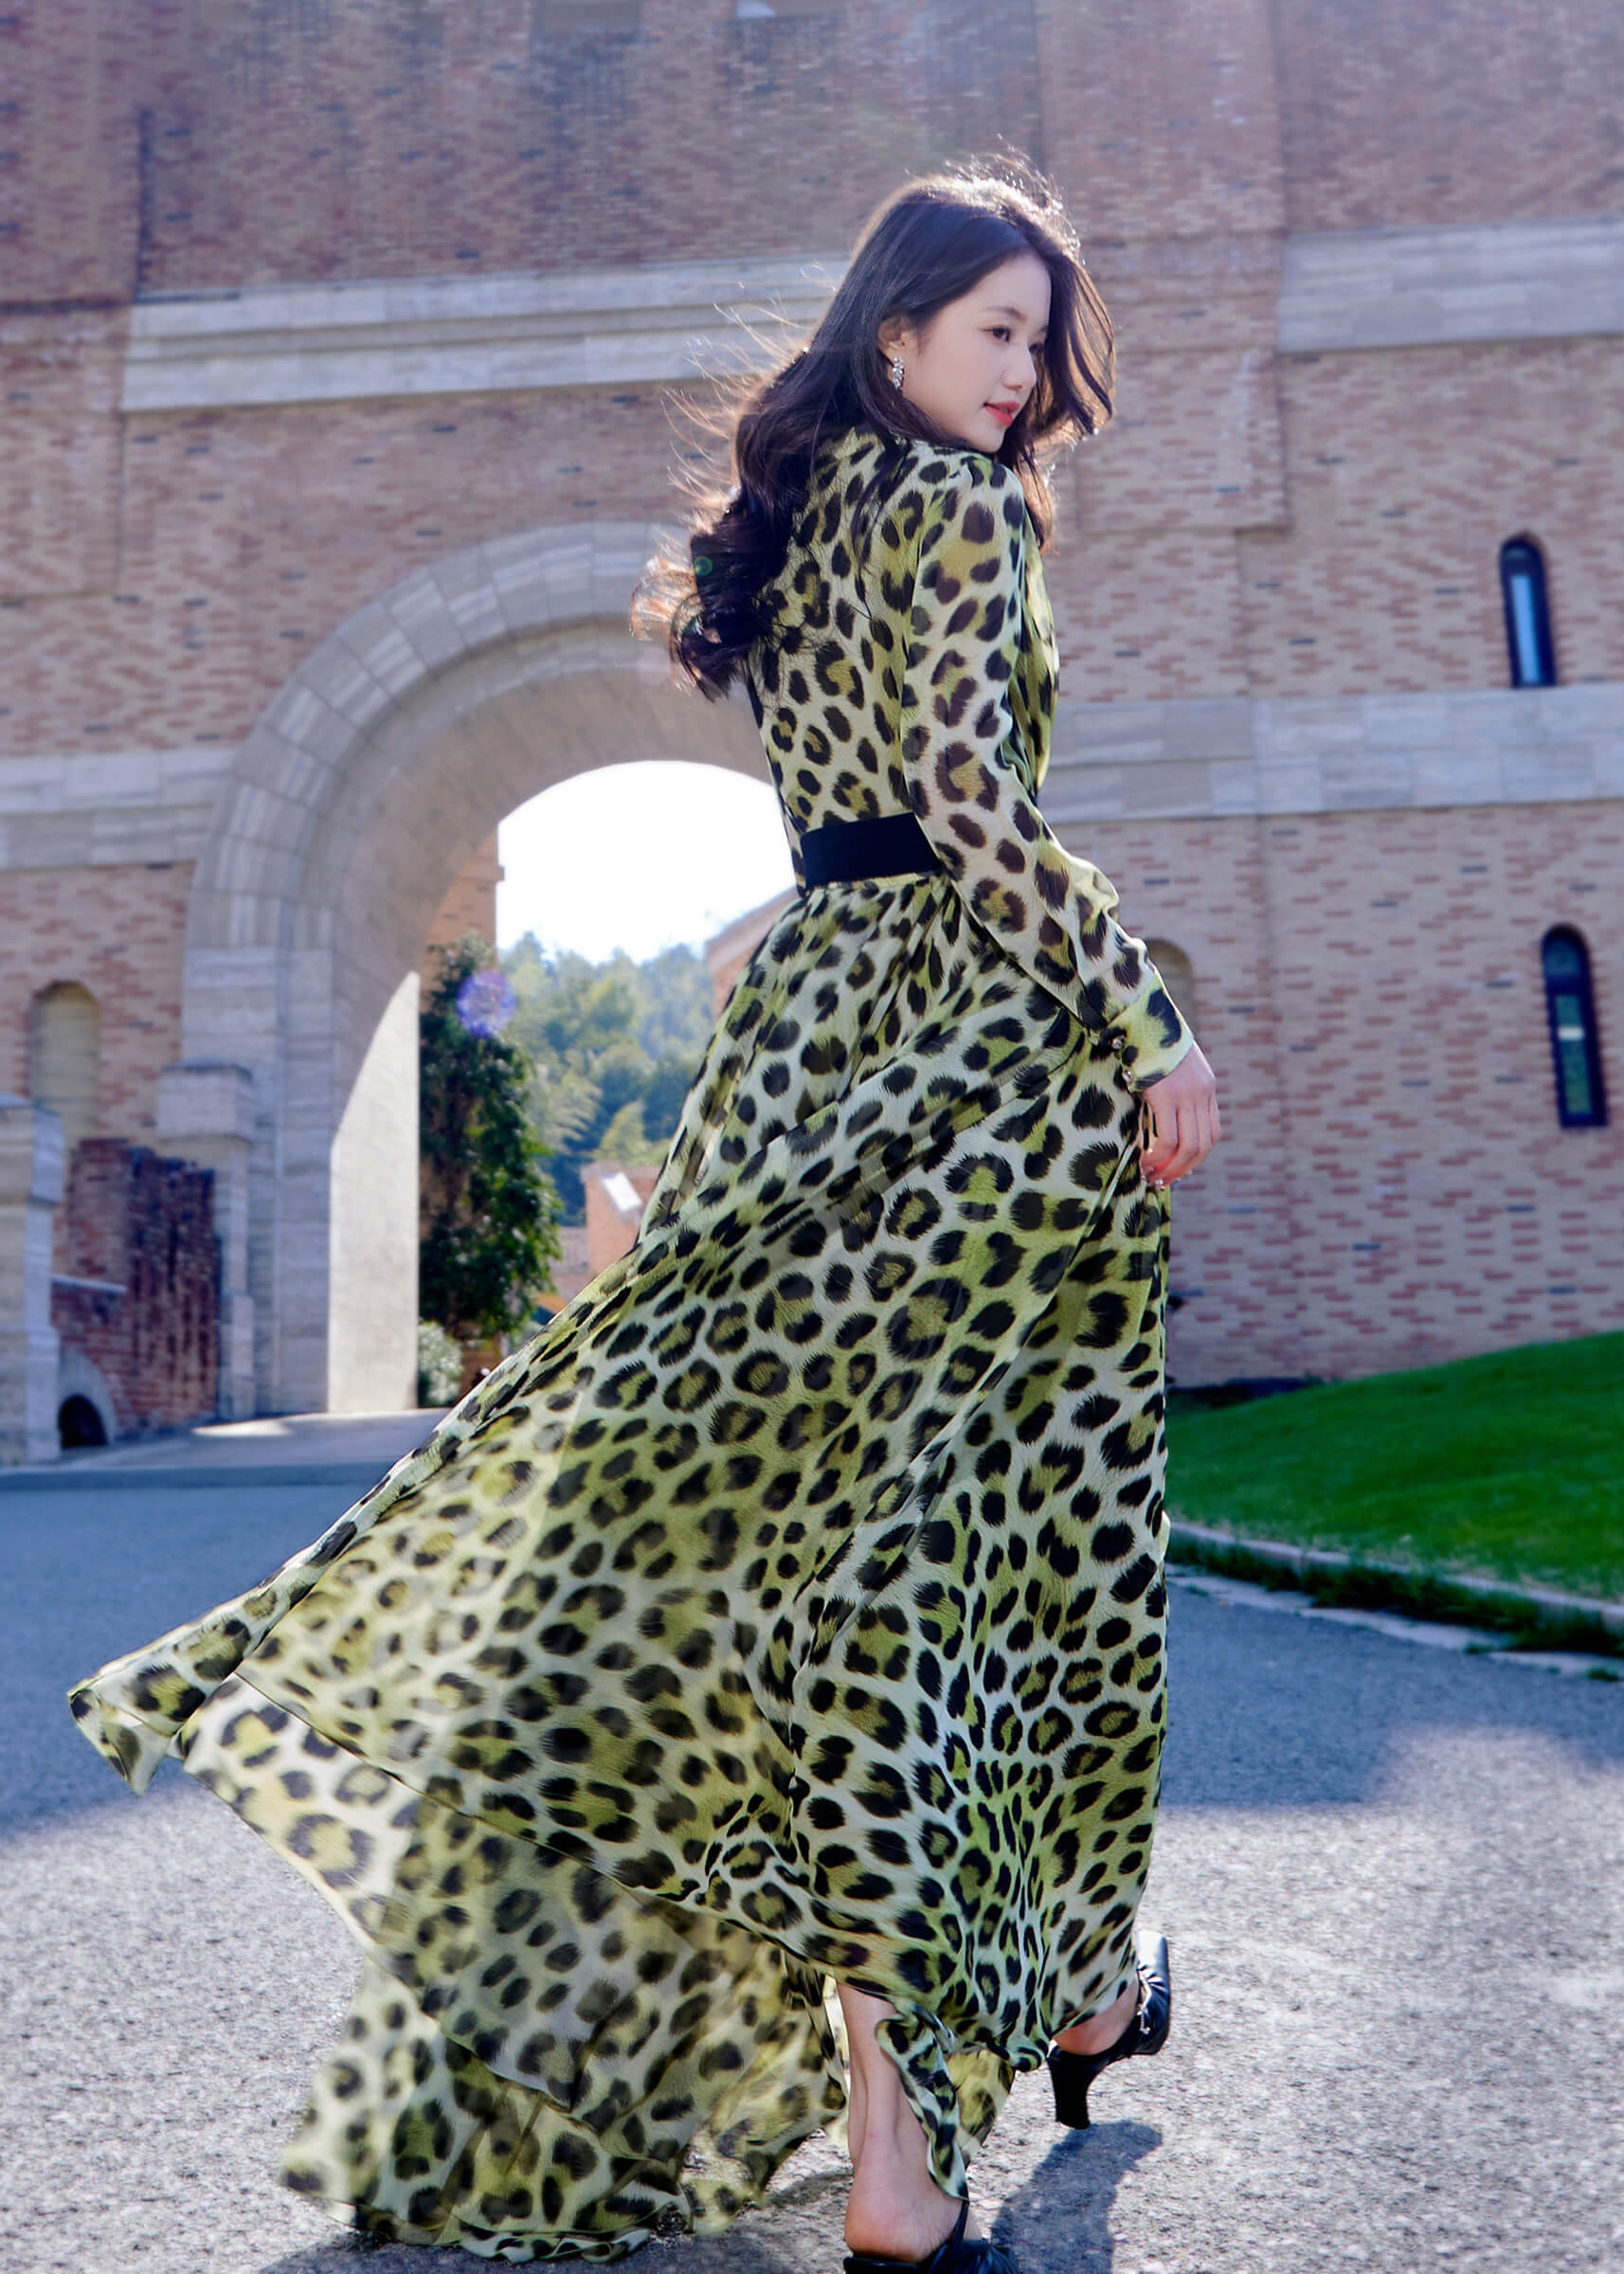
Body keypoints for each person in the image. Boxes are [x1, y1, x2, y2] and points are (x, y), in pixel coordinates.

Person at [66, 152, 1218, 2274]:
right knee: (1015, 1566)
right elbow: (971, 806)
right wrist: (1143, 1016)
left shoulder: (798, 526)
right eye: (994, 333)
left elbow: (864, 814)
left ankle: (1026, 2028)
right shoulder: (961, 511)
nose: (1021, 378)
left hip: (808, 1055)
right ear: (897, 330)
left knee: (816, 1569)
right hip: (981, 1070)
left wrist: (838, 930)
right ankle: (978, 2072)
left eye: (1041, 346)